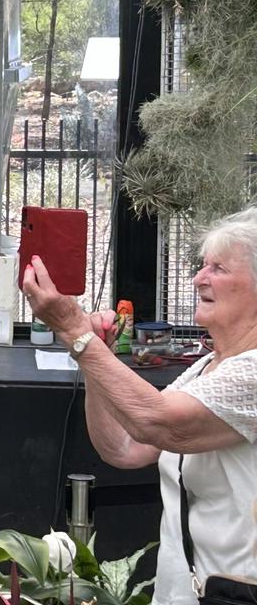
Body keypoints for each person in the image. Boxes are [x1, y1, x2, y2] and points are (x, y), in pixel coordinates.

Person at [23, 207, 257, 605]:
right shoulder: (207, 367)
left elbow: (159, 424)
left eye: (218, 268)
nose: (199, 277)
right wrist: (95, 357)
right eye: (202, 266)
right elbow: (126, 448)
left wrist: (75, 331)